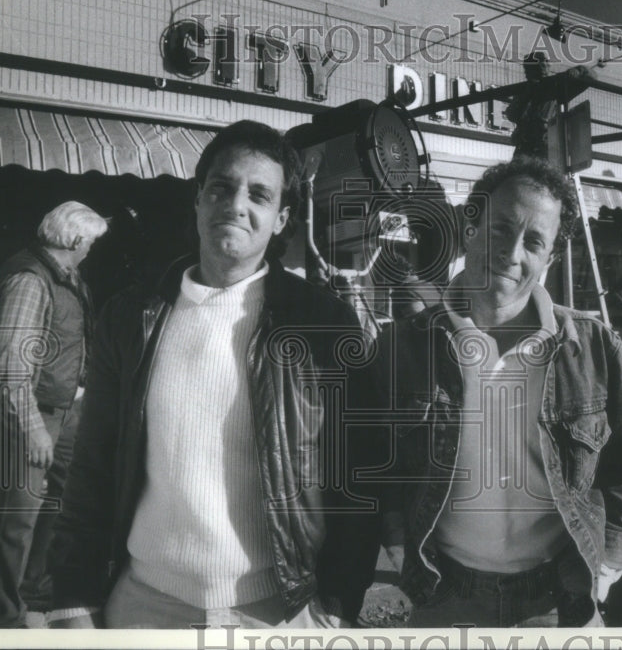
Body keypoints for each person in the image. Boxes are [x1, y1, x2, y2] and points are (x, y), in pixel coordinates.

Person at [47, 120, 383, 629]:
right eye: (222, 187)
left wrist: (334, 606)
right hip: (144, 607)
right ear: (199, 198)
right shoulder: (131, 317)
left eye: (259, 194)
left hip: (276, 613)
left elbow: (359, 476)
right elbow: (92, 464)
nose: (236, 204)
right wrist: (73, 601)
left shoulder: (322, 324)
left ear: (280, 218)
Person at [386, 156, 622, 628]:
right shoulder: (403, 347)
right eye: (500, 229)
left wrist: (608, 564)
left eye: (533, 241)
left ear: (550, 258)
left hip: (560, 600)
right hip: (442, 597)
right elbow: (372, 461)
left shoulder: (594, 347)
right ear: (469, 229)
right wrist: (395, 548)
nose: (512, 254)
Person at [0, 201, 108, 628]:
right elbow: (11, 368)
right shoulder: (30, 281)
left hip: (65, 409)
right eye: (90, 242)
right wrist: (34, 430)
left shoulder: (65, 276)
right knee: (18, 518)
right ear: (75, 240)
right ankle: (5, 615)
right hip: (32, 414)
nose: (91, 249)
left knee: (61, 503)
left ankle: (35, 588)